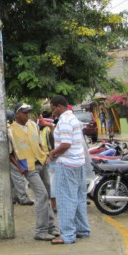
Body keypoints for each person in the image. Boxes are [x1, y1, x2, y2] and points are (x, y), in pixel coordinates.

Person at [9, 103, 59, 241]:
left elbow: (39, 143)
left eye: (28, 113)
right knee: (41, 195)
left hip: (41, 162)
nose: (27, 115)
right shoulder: (10, 130)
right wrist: (19, 167)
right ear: (17, 114)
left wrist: (44, 155)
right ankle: (41, 230)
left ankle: (51, 226)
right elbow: (10, 153)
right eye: (24, 113)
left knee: (47, 195)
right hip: (29, 167)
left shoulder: (33, 125)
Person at [48, 95, 90, 245]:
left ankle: (67, 235)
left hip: (67, 164)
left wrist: (53, 153)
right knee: (79, 198)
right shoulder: (73, 118)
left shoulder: (64, 120)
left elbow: (65, 144)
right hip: (78, 163)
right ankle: (82, 230)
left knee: (65, 200)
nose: (53, 112)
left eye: (53, 109)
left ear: (59, 106)